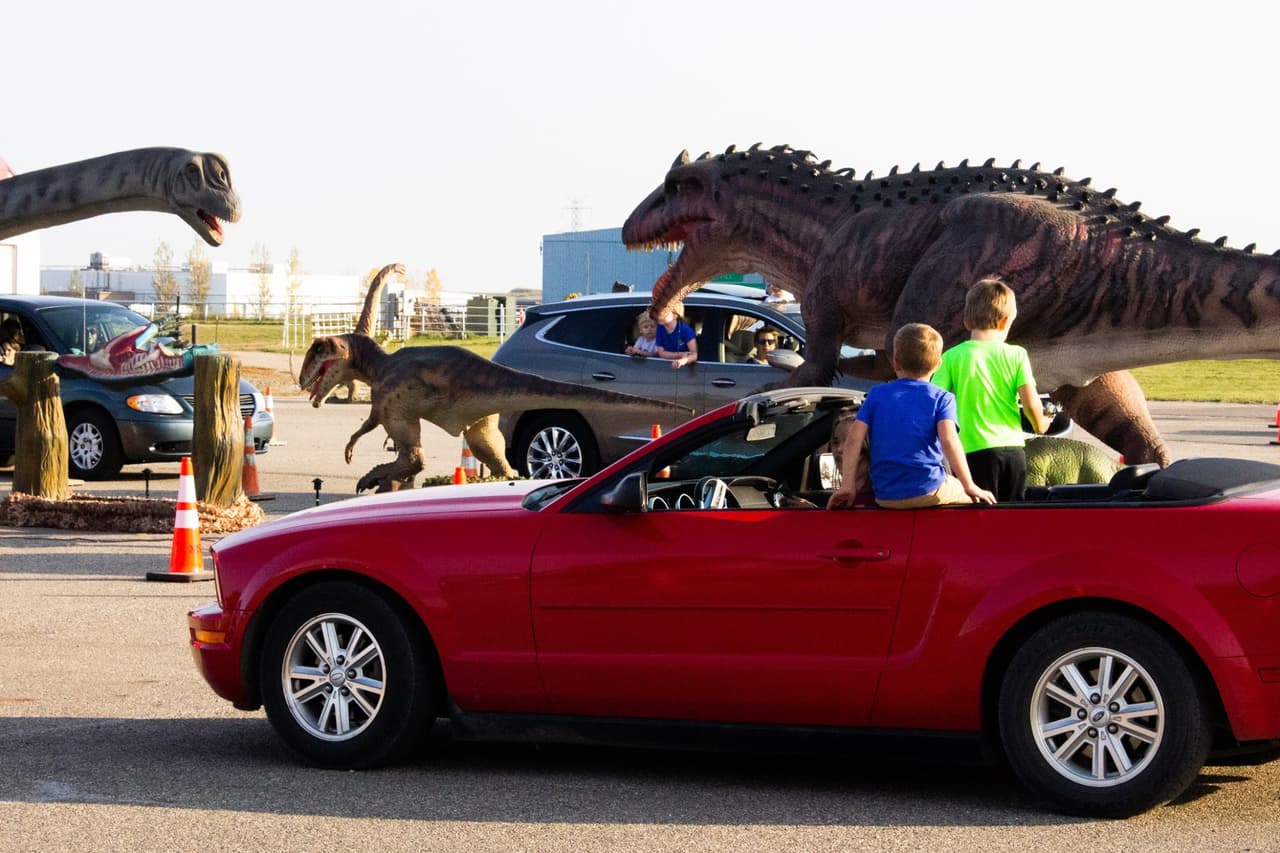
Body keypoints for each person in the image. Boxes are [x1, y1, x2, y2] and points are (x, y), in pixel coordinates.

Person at [827, 323, 995, 509]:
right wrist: (969, 486)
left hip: (885, 496)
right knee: (970, 498)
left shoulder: (877, 395)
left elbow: (853, 439)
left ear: (895, 361)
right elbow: (949, 441)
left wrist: (847, 486)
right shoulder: (942, 398)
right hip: (928, 489)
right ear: (939, 364)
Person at [931, 276, 1050, 501]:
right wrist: (1041, 424)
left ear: (966, 321)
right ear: (1005, 322)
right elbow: (1031, 403)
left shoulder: (951, 357)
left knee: (977, 518)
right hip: (1013, 449)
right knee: (1012, 518)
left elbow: (934, 401)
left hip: (971, 452)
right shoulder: (1017, 354)